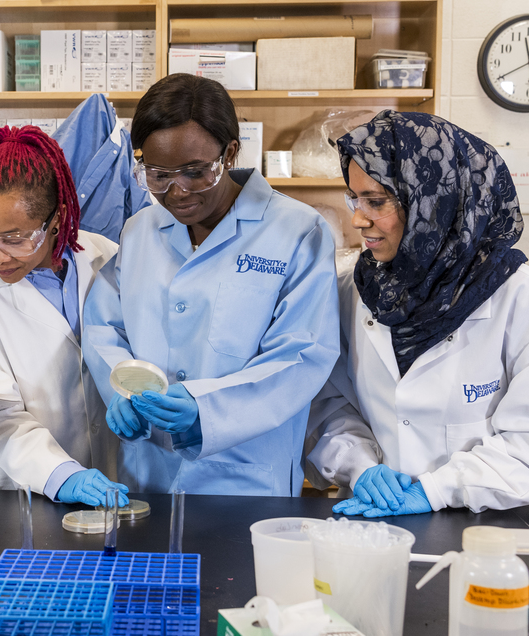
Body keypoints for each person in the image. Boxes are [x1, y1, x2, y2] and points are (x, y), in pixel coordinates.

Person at [309, 110, 529, 516]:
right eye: (355, 198)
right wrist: (358, 465)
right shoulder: (354, 292)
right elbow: (327, 402)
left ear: (433, 204)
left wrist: (439, 489)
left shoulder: (526, 302)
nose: (358, 219)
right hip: (381, 522)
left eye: (375, 201)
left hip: (502, 531)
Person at [82, 73, 351, 496]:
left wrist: (205, 409)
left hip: (245, 479)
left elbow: (303, 355)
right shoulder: (140, 231)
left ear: (229, 153)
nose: (177, 192)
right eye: (158, 175)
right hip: (149, 472)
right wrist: (117, 382)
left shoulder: (296, 231)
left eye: (195, 171)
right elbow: (103, 326)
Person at [0, 126, 128, 507]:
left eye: (15, 238)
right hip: (26, 500)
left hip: (122, 480)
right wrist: (60, 474)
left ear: (56, 218)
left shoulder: (108, 257)